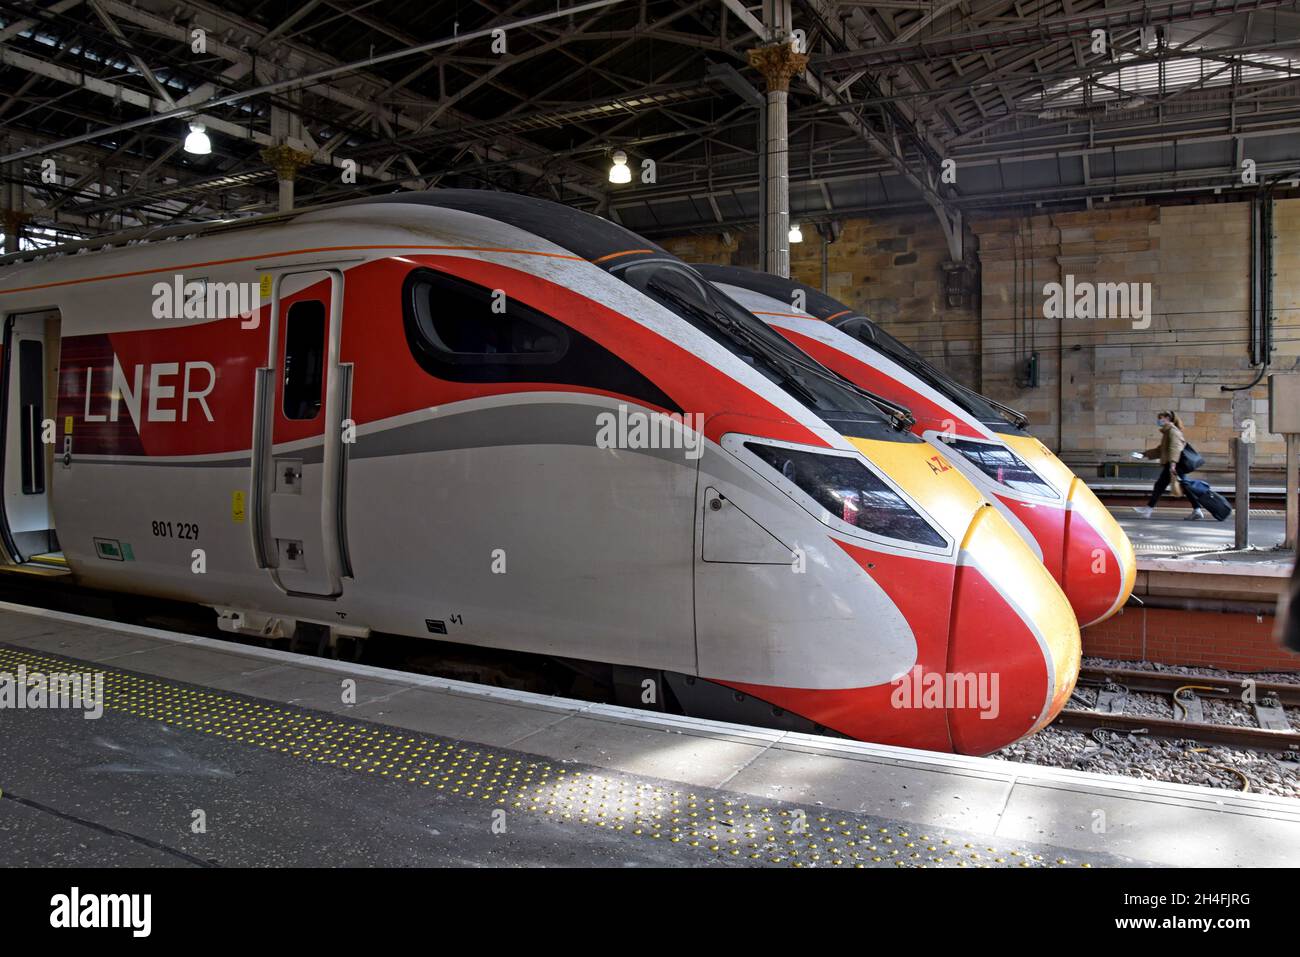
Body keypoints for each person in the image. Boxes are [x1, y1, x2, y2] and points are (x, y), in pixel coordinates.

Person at [1133, 410, 1204, 520]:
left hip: (1174, 464)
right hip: (1173, 463)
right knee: (1182, 486)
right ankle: (1197, 509)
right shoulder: (1168, 432)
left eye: (1161, 418)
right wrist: (1143, 454)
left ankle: (1148, 509)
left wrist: (1172, 464)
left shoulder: (1172, 431)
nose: (1159, 421)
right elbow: (1161, 450)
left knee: (1162, 486)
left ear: (1167, 418)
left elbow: (1174, 448)